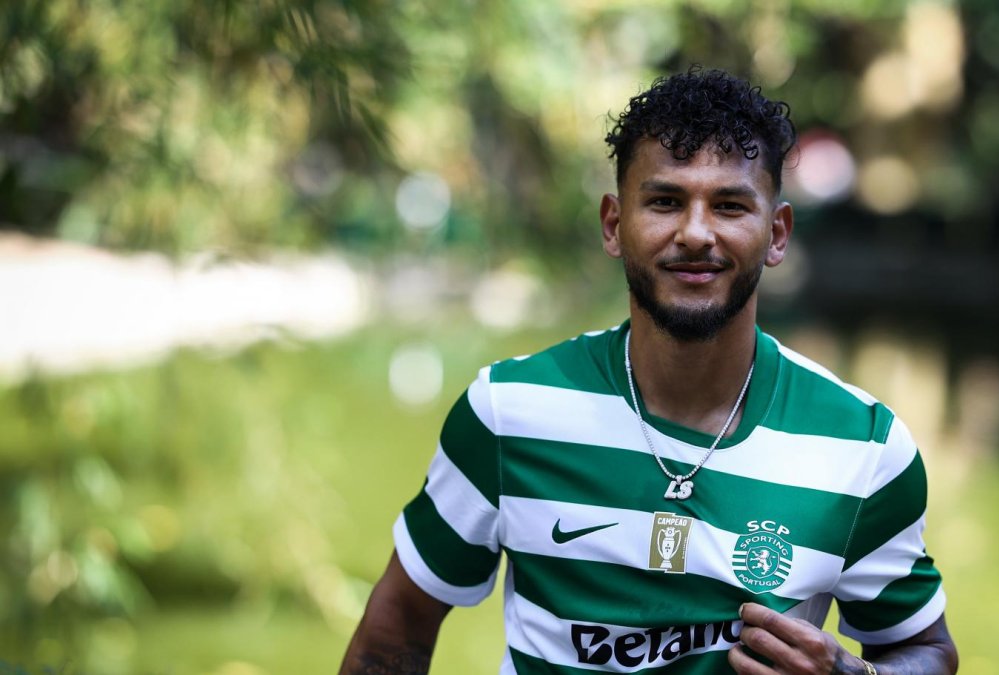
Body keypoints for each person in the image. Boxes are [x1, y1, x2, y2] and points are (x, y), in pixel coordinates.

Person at [340, 68, 958, 675]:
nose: (694, 233)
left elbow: (926, 651)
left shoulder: (863, 447)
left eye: (729, 205)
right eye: (665, 201)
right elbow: (396, 629)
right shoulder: (510, 412)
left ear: (776, 233)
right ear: (615, 224)